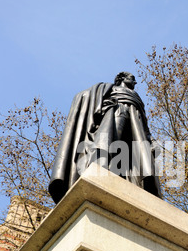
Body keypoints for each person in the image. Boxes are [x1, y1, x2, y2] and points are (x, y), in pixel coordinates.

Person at [48, 72, 161, 204]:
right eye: (132, 79)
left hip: (135, 126)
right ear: (122, 79)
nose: (135, 82)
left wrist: (150, 139)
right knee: (111, 146)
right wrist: (104, 105)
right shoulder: (109, 88)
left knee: (132, 158)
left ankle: (127, 182)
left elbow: (144, 124)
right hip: (117, 115)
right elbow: (87, 96)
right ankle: (103, 172)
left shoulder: (137, 98)